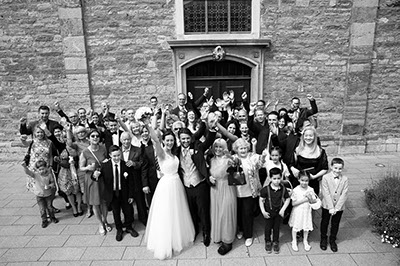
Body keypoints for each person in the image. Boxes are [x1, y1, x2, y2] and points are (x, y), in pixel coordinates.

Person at [145, 126, 195, 260]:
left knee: (177, 212)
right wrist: (148, 124)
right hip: (166, 185)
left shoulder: (174, 153)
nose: (169, 143)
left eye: (172, 140)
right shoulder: (161, 153)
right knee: (166, 213)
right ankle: (166, 243)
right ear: (163, 141)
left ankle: (176, 238)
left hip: (177, 183)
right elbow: (155, 140)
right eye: (167, 140)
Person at [177, 118, 217, 247]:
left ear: (191, 138)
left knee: (203, 210)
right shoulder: (176, 151)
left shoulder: (197, 146)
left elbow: (209, 140)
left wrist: (211, 129)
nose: (185, 141)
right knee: (191, 210)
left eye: (187, 138)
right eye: (183, 139)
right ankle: (194, 230)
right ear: (179, 139)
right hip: (186, 186)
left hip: (199, 184)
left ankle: (206, 232)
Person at [93, 145, 139, 241]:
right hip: (112, 194)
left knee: (128, 211)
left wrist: (131, 195)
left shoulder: (125, 165)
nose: (117, 158)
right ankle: (119, 229)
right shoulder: (105, 166)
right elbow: (96, 177)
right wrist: (95, 175)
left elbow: (131, 182)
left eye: (118, 155)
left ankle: (129, 227)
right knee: (116, 212)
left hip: (124, 193)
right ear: (110, 155)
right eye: (114, 156)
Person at [232, 138, 268, 247]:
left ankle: (248, 235)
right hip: (236, 191)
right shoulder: (234, 158)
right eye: (240, 148)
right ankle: (240, 230)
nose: (242, 150)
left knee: (247, 213)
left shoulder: (252, 157)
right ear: (236, 150)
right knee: (238, 212)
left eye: (244, 148)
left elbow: (261, 164)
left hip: (249, 191)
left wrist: (263, 156)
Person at [208, 138, 237, 255]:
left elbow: (236, 164)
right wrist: (209, 178)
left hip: (227, 188)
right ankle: (219, 235)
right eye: (216, 147)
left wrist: (230, 157)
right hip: (215, 189)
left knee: (226, 213)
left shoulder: (229, 159)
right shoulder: (211, 159)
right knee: (217, 212)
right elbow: (207, 172)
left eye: (221, 147)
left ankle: (227, 241)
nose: (218, 149)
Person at [79, 129, 110, 235]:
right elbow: (81, 168)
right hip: (92, 179)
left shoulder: (103, 148)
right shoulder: (85, 152)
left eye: (97, 136)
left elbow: (107, 161)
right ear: (88, 138)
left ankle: (105, 221)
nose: (95, 138)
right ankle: (100, 223)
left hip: (102, 178)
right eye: (92, 136)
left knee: (104, 202)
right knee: (95, 203)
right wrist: (88, 167)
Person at [320, 158, 348, 252]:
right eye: (335, 168)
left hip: (339, 207)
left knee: (335, 223)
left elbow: (344, 194)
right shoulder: (325, 178)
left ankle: (332, 240)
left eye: (340, 168)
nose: (337, 170)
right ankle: (323, 238)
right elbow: (325, 192)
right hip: (327, 205)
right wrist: (331, 207)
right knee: (325, 222)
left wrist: (337, 208)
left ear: (342, 168)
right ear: (331, 167)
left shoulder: (345, 179)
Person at [259, 168, 290, 254]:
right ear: (270, 178)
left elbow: (287, 199)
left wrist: (283, 209)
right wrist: (263, 211)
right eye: (274, 179)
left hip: (278, 213)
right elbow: (261, 200)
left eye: (278, 178)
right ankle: (268, 241)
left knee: (276, 228)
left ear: (281, 178)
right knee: (268, 228)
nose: (277, 181)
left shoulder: (283, 189)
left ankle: (276, 241)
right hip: (268, 212)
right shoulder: (266, 189)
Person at [290, 126, 328, 195]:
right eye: (306, 135)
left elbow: (325, 168)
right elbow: (291, 164)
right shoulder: (297, 149)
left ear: (314, 137)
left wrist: (314, 176)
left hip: (312, 182)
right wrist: (293, 169)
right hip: (299, 182)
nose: (308, 138)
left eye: (310, 136)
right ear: (303, 136)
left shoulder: (320, 151)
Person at [120, 132, 148, 226]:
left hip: (135, 179)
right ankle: (129, 220)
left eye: (128, 139)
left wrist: (134, 163)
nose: (126, 141)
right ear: (121, 140)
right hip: (123, 181)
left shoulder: (138, 150)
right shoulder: (118, 151)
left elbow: (142, 164)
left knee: (140, 201)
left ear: (131, 140)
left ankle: (144, 218)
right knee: (126, 201)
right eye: (124, 139)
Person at [22, 160, 59, 228]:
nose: (41, 171)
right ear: (37, 170)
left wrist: (49, 186)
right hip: (39, 195)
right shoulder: (36, 175)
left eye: (43, 169)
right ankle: (44, 220)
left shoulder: (49, 175)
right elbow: (28, 172)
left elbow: (53, 183)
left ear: (46, 168)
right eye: (39, 169)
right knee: (42, 208)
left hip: (48, 194)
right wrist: (25, 167)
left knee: (50, 207)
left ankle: (52, 217)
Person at [289, 171, 318, 252]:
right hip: (298, 211)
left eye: (306, 181)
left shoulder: (311, 189)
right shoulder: (296, 190)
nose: (304, 183)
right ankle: (294, 241)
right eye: (302, 180)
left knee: (306, 226)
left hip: (307, 210)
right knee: (295, 226)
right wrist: (304, 199)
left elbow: (314, 201)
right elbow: (293, 203)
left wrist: (312, 199)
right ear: (298, 180)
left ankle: (305, 240)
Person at [140, 125, 159, 207]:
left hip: (164, 178)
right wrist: (145, 184)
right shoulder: (147, 149)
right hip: (152, 179)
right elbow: (144, 168)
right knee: (153, 202)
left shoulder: (166, 149)